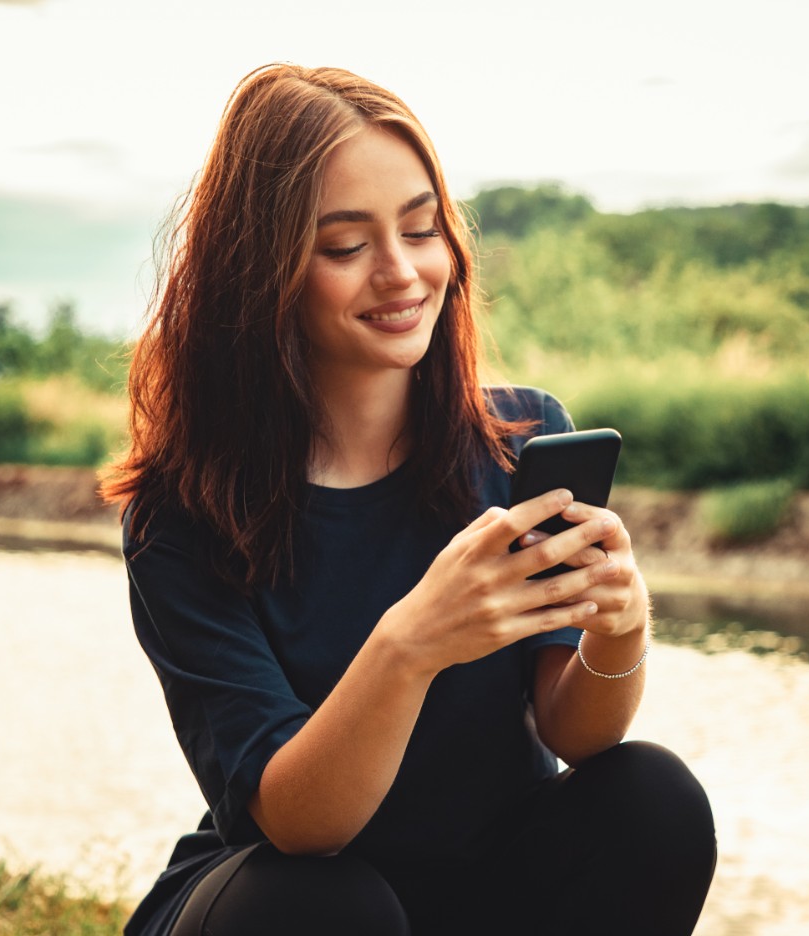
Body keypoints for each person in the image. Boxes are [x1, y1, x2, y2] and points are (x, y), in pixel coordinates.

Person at [101, 63, 716, 936]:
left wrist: (621, 626)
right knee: (324, 904)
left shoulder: (522, 443)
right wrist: (411, 643)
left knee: (652, 799)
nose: (401, 272)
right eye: (346, 246)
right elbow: (298, 824)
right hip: (287, 902)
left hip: (484, 889)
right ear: (262, 270)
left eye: (422, 229)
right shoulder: (183, 514)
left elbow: (574, 732)